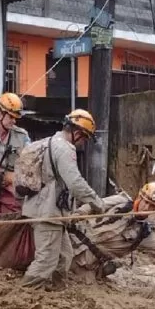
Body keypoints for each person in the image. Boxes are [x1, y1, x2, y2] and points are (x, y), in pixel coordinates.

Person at [21, 109, 105, 290]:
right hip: (47, 211)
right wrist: (96, 202)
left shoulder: (49, 142)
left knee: (64, 255)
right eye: (84, 138)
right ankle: (26, 293)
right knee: (46, 261)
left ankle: (55, 291)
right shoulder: (65, 148)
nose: (83, 143)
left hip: (51, 211)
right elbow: (75, 182)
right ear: (76, 133)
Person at [70, 182, 155, 280]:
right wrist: (79, 214)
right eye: (146, 202)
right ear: (140, 197)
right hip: (72, 242)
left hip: (86, 264)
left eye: (152, 206)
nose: (147, 207)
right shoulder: (120, 201)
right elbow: (95, 204)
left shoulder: (144, 233)